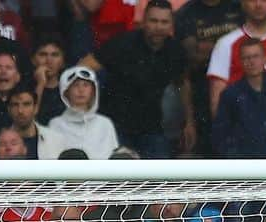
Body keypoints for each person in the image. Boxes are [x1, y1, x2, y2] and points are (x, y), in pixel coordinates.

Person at [78, 0, 193, 158]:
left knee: (157, 179)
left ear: (172, 25)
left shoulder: (176, 51)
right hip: (116, 126)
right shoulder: (123, 43)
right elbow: (84, 67)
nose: (158, 27)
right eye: (153, 21)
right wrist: (88, 104)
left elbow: (183, 83)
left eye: (164, 22)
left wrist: (189, 122)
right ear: (144, 22)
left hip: (153, 128)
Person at [211, 36, 266, 158]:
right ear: (241, 61)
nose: (252, 62)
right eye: (246, 57)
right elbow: (221, 134)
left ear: (265, 58)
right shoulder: (230, 95)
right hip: (242, 165)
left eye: (256, 56)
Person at [46, 66, 120, 159]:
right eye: (76, 85)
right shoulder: (56, 124)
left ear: (93, 91)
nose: (81, 90)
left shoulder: (104, 123)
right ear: (66, 91)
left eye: (86, 85)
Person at [0, 86, 63, 159]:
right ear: (9, 109)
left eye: (26, 104)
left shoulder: (55, 141)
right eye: (15, 105)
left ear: (35, 108)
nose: (20, 111)